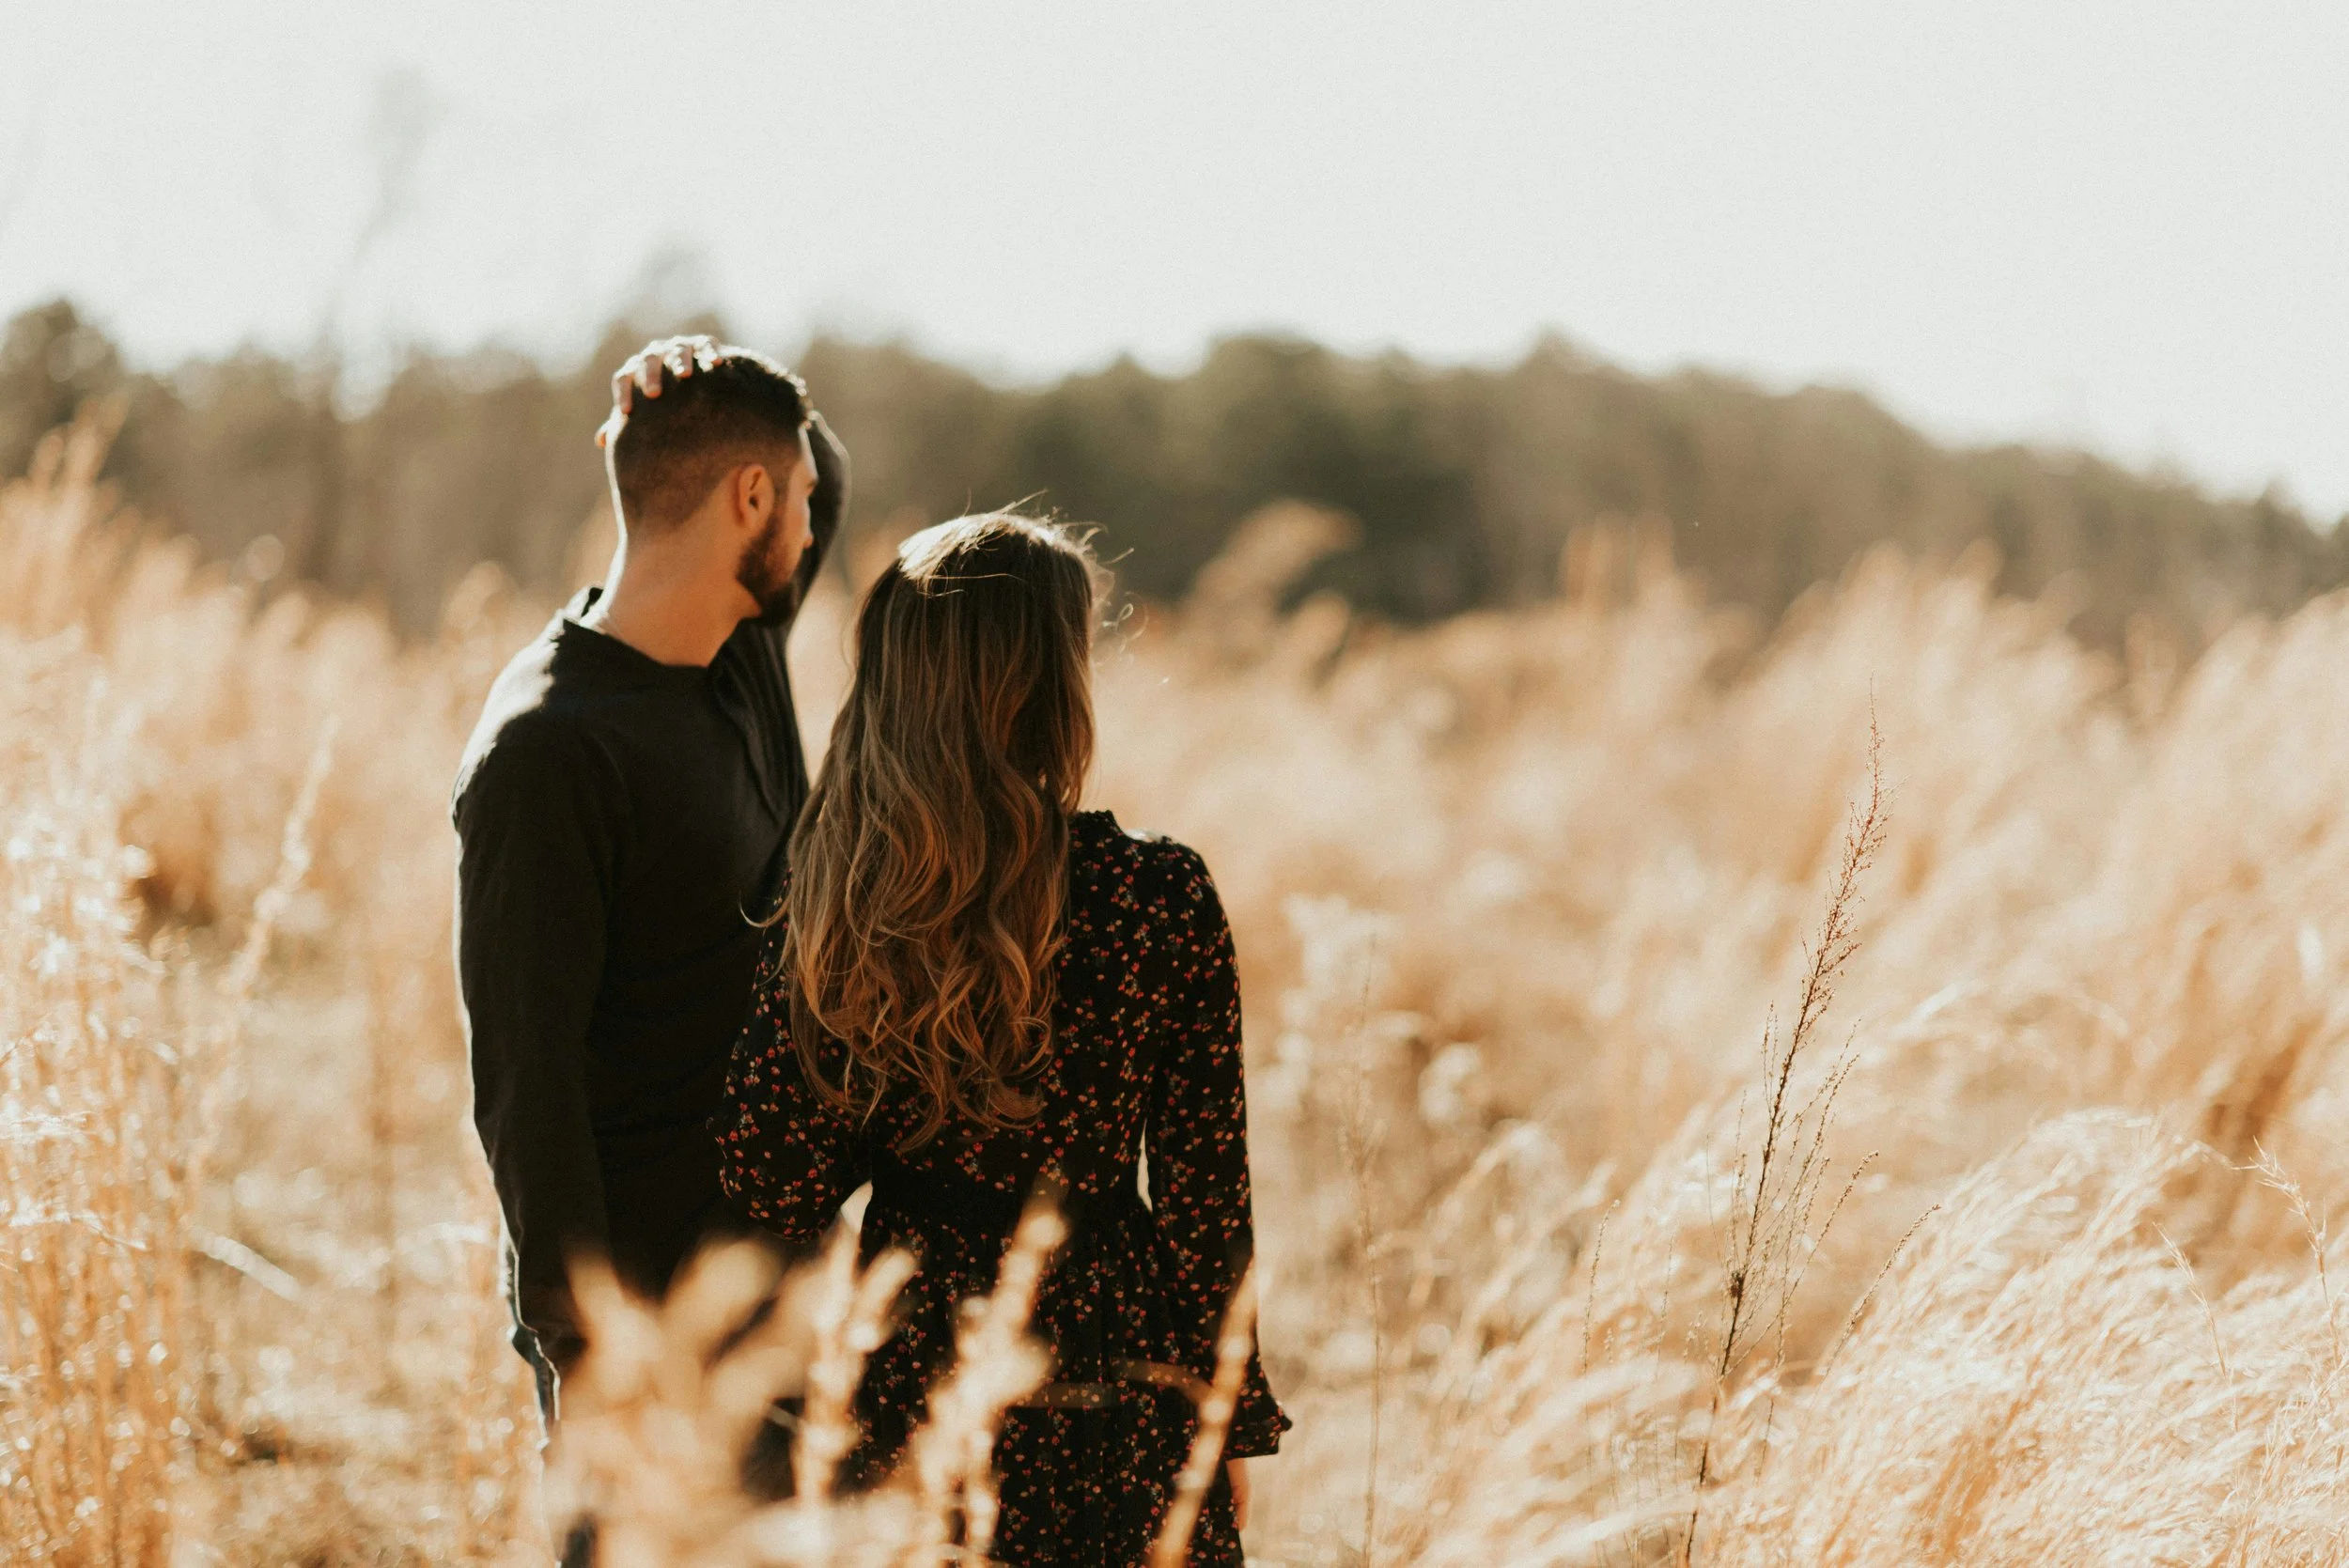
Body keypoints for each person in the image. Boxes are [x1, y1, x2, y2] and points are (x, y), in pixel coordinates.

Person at [714, 513, 1289, 1566]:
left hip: (907, 1363)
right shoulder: (1155, 894)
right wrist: (1228, 1424)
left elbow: (772, 1179)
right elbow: (1210, 1202)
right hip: (1116, 1369)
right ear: (1047, 686)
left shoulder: (838, 901)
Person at [449, 337, 847, 1478]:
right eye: (802, 500)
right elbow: (529, 1077)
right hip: (651, 1320)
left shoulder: (737, 649)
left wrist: (695, 375)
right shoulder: (549, 750)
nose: (819, 531)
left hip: (786, 1278)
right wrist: (589, 1351)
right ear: (751, 496)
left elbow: (818, 463)